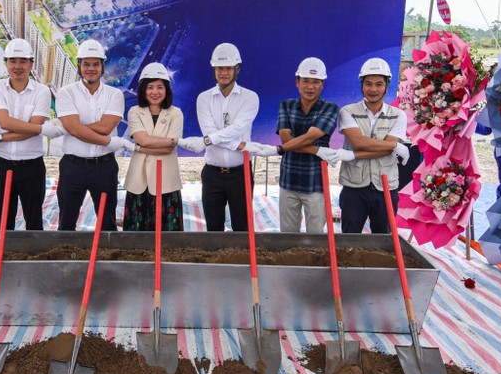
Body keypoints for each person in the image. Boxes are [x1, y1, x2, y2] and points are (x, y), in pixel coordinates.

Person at [179, 43, 266, 232]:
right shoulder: (204, 98)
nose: (224, 73)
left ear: (237, 69)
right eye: (220, 68)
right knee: (213, 229)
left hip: (240, 174)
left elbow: (237, 128)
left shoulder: (250, 97)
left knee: (242, 228)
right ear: (214, 69)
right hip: (212, 174)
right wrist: (241, 145)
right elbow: (210, 132)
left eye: (228, 68)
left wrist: (206, 141)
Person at [50, 38, 131, 231]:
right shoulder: (66, 93)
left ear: (103, 66)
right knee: (66, 223)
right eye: (86, 64)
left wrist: (74, 127)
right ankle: (69, 251)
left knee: (107, 224)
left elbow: (105, 126)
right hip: (73, 166)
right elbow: (76, 128)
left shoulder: (114, 94)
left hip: (104, 167)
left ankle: (106, 251)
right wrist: (107, 141)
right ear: (79, 65)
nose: (91, 69)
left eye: (96, 64)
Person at [337, 57, 410, 233]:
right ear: (362, 85)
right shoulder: (347, 111)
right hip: (354, 188)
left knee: (383, 240)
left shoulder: (398, 115)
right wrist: (394, 146)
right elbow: (358, 142)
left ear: (387, 86)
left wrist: (353, 154)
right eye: (368, 84)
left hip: (386, 188)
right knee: (349, 239)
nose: (373, 89)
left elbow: (383, 150)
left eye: (379, 84)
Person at [0, 38, 51, 230]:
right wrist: (37, 129)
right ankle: (4, 250)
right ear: (6, 63)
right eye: (12, 61)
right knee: (3, 222)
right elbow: (5, 122)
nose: (17, 66)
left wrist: (2, 136)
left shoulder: (42, 91)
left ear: (31, 64)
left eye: (23, 61)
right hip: (3, 164)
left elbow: (33, 127)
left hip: (32, 166)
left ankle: (34, 251)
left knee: (34, 221)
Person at [276, 57, 341, 233]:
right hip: (288, 180)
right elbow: (285, 139)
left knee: (316, 236)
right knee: (288, 235)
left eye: (316, 82)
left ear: (322, 84)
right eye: (306, 81)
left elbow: (311, 136)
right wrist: (318, 150)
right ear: (297, 82)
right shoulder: (286, 105)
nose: (310, 87)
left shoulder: (330, 108)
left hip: (316, 183)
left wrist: (284, 148)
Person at [123, 62, 184, 231]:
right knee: (136, 234)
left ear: (167, 89)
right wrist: (168, 141)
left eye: (159, 87)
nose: (155, 92)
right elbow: (143, 139)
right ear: (143, 90)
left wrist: (140, 148)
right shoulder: (135, 111)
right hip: (139, 181)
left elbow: (168, 149)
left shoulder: (175, 113)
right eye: (150, 87)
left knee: (168, 235)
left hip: (166, 181)